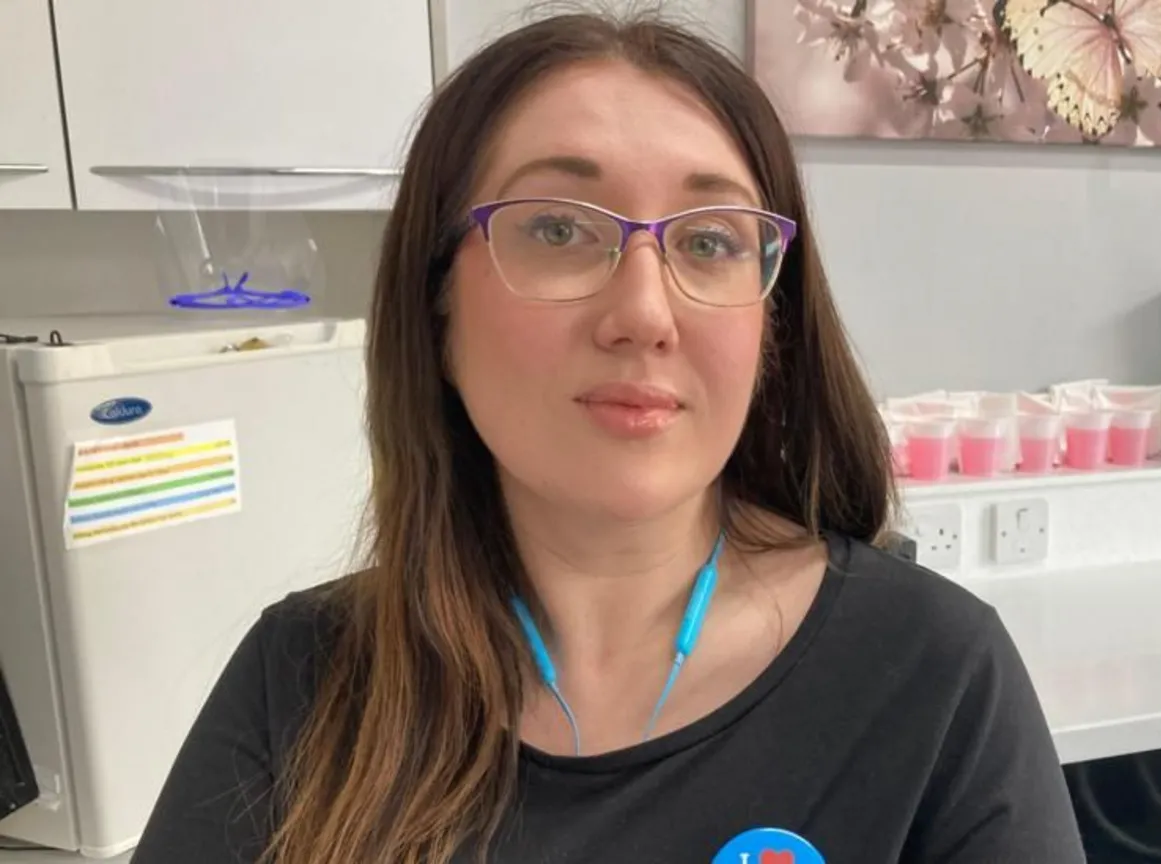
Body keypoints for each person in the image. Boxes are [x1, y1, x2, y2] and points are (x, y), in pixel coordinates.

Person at [133, 11, 1085, 864]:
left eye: (710, 241)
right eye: (557, 229)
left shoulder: (933, 672)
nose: (644, 312)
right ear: (437, 317)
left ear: (773, 332)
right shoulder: (306, 677)